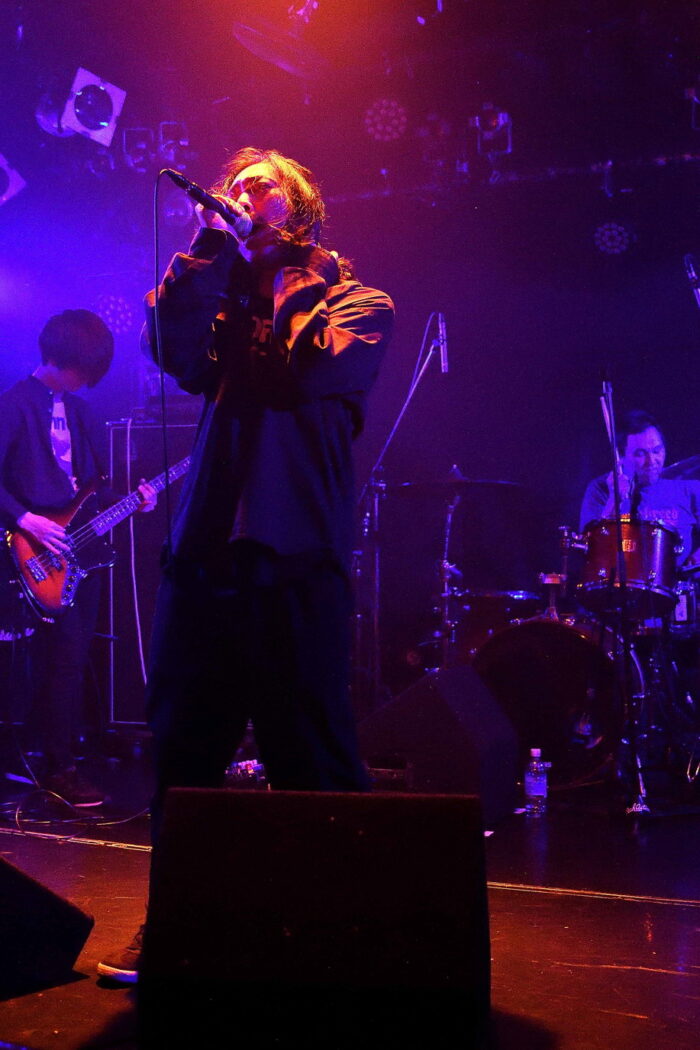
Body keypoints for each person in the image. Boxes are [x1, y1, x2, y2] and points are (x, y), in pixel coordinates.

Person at [96, 147, 394, 983]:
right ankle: (173, 923)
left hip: (296, 554)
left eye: (260, 185)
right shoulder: (223, 294)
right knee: (184, 753)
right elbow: (168, 347)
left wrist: (283, 274)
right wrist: (207, 252)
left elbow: (309, 369)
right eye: (234, 185)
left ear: (298, 207)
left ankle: (334, 932)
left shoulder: (361, 303)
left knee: (313, 757)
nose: (240, 192)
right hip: (207, 554)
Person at [0, 309, 157, 806]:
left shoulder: (84, 413)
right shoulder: (12, 406)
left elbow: (93, 491)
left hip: (80, 555)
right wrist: (25, 519)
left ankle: (64, 762)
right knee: (45, 663)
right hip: (29, 556)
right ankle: (49, 764)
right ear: (59, 357)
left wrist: (134, 500)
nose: (86, 380)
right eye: (82, 369)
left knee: (72, 660)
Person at [580, 409, 700, 568]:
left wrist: (696, 558)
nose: (652, 461)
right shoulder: (601, 489)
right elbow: (592, 548)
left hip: (678, 581)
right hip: (620, 580)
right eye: (640, 454)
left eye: (657, 451)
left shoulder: (687, 488)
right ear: (621, 456)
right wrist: (614, 500)